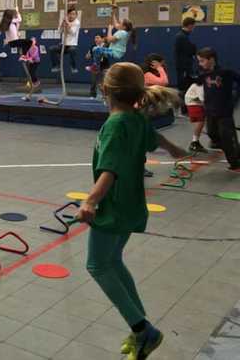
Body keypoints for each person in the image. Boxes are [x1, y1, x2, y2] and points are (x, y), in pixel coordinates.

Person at [74, 62, 186, 360]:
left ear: (106, 90)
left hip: (113, 206)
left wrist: (90, 201)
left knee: (97, 265)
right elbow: (154, 139)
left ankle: (142, 330)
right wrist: (175, 150)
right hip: (132, 205)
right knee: (113, 261)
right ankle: (141, 325)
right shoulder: (135, 119)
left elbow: (108, 171)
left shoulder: (115, 125)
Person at [196, 48, 240, 170]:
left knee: (226, 136)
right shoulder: (204, 75)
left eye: (202, 61)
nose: (200, 64)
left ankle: (234, 162)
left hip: (224, 111)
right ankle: (235, 149)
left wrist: (235, 99)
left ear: (211, 59)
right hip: (210, 111)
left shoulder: (226, 72)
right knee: (212, 134)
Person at [86, 7, 136, 72]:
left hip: (114, 53)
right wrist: (113, 13)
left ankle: (96, 66)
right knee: (98, 50)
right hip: (114, 52)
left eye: (120, 23)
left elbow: (109, 40)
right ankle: (98, 65)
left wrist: (109, 29)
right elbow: (115, 24)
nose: (118, 23)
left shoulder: (122, 33)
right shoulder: (123, 31)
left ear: (124, 27)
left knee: (96, 49)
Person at [174, 18, 197, 113]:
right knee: (184, 87)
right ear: (190, 25)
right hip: (184, 67)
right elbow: (188, 51)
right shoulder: (181, 37)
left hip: (184, 66)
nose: (194, 28)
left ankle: (185, 108)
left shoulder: (183, 36)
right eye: (193, 26)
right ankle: (183, 109)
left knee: (186, 86)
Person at [50, 7, 80, 74]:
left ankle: (73, 67)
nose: (72, 16)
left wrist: (67, 24)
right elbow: (59, 31)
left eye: (74, 14)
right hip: (63, 45)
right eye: (70, 14)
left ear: (76, 15)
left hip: (71, 45)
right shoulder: (65, 21)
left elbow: (72, 32)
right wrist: (62, 24)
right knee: (52, 49)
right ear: (68, 14)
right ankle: (57, 65)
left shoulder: (77, 22)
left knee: (72, 50)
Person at [185, 79, 207, 153]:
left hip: (197, 102)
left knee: (201, 122)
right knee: (200, 122)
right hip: (193, 103)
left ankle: (195, 142)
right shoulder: (200, 85)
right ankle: (194, 143)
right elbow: (202, 99)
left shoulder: (208, 84)